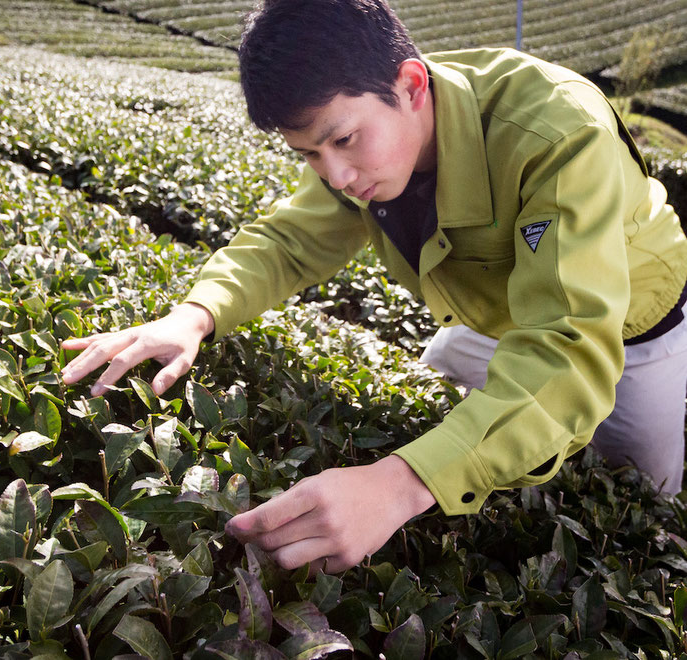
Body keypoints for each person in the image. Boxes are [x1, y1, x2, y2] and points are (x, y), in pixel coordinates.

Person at [60, 0, 687, 573]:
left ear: (411, 86)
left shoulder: (558, 132)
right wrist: (195, 316)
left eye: (342, 140)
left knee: (646, 488)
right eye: (308, 154)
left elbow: (569, 349)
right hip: (497, 321)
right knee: (452, 375)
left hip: (636, 336)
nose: (335, 175)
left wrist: (398, 484)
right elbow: (289, 241)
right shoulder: (364, 138)